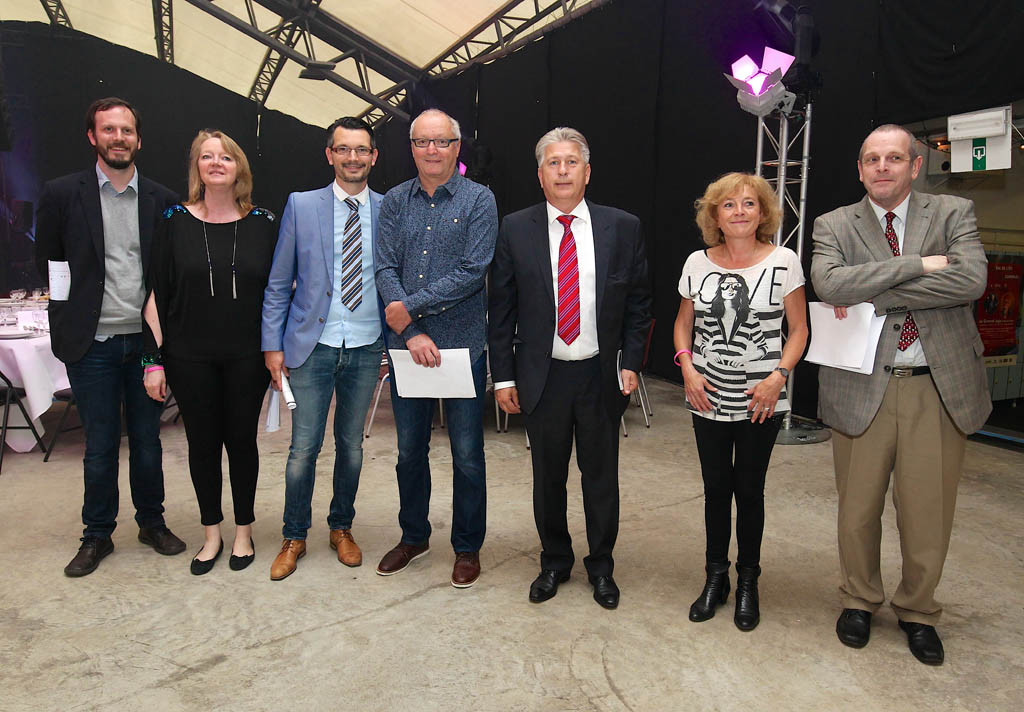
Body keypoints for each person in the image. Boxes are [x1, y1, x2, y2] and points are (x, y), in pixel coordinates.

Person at [811, 124, 990, 665]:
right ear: (860, 169)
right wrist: (918, 265)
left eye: (893, 158)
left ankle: (918, 610)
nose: (882, 167)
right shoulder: (833, 223)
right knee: (857, 510)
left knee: (926, 511)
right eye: (872, 158)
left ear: (915, 165)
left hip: (936, 387)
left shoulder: (953, 213)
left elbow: (970, 282)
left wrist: (874, 287)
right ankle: (859, 599)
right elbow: (830, 285)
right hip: (860, 384)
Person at [489, 127, 651, 609]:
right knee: (548, 479)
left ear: (587, 172)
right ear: (540, 175)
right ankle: (554, 562)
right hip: (543, 377)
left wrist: (632, 362)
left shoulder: (623, 226)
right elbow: (501, 309)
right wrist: (504, 376)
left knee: (601, 478)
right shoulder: (515, 228)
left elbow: (639, 302)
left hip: (601, 375)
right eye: (553, 163)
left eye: (571, 162)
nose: (563, 171)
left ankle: (601, 567)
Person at [35, 97, 185, 577]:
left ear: (138, 139)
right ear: (92, 136)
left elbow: (168, 275)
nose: (118, 138)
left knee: (147, 441)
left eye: (126, 131)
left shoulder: (162, 199)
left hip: (144, 345)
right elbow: (51, 263)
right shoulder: (62, 194)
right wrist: (66, 321)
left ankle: (152, 523)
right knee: (100, 445)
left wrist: (162, 344)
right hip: (92, 345)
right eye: (109, 130)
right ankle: (97, 534)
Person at [672, 172, 808, 631]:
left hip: (760, 399)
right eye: (728, 205)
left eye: (749, 203)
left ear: (763, 212)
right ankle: (716, 577)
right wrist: (687, 368)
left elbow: (799, 330)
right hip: (705, 394)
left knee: (749, 491)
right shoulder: (697, 263)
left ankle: (749, 580)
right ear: (715, 215)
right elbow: (682, 324)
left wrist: (778, 377)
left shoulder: (784, 261)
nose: (739, 212)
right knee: (715, 489)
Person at [142, 129, 277, 575]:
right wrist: (152, 360)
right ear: (196, 167)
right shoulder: (173, 220)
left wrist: (279, 350)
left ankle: (243, 531)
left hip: (247, 357)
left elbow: (279, 292)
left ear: (240, 168)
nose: (216, 163)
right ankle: (212, 534)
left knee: (241, 443)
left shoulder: (264, 222)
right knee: (201, 445)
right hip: (188, 356)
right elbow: (156, 294)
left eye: (226, 156)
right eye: (207, 156)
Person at [374, 109, 498, 588]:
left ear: (456, 146)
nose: (432, 150)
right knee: (409, 451)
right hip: (408, 348)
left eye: (441, 141)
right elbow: (385, 268)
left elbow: (472, 271)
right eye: (422, 142)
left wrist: (409, 308)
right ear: (411, 148)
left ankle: (467, 547)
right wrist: (410, 331)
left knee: (467, 454)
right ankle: (414, 537)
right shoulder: (394, 201)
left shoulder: (479, 199)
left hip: (462, 347)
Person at [261, 117, 385, 581]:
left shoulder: (388, 208)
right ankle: (294, 536)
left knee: (351, 446)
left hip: (366, 345)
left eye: (362, 149)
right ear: (329, 154)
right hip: (311, 346)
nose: (353, 157)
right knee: (303, 449)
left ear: (373, 157)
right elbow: (278, 283)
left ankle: (341, 528)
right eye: (343, 149)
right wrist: (272, 346)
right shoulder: (301, 205)